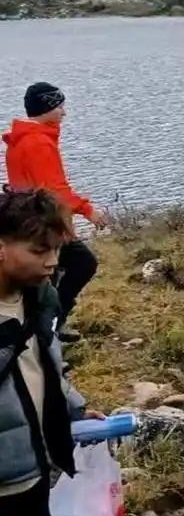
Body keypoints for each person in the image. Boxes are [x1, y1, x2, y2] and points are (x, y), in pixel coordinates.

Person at [0, 189, 101, 516]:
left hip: (33, 467)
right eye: (38, 249)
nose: (52, 261)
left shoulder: (38, 300)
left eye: (55, 248)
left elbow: (50, 371)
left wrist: (78, 413)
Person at [3, 84, 108, 342]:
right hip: (44, 223)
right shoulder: (38, 142)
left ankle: (40, 328)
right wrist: (88, 210)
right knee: (83, 265)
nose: (64, 112)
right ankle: (48, 328)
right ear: (47, 108)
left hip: (26, 222)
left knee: (43, 279)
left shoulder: (21, 139)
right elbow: (54, 190)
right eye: (60, 106)